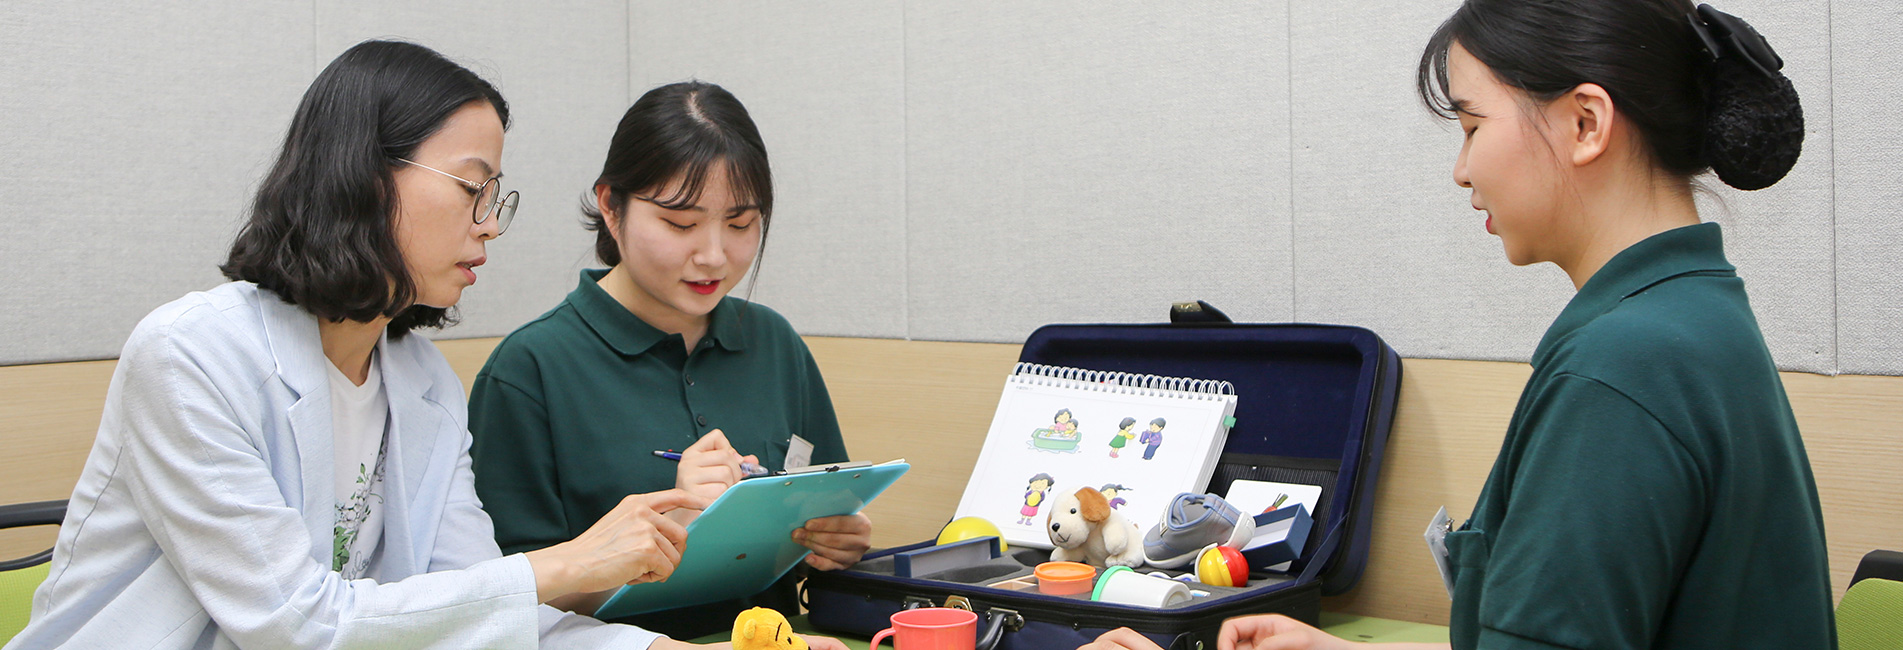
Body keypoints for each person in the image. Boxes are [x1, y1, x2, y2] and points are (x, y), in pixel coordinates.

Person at [4, 40, 847, 650]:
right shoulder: (190, 357)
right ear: (364, 175)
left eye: (496, 196)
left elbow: (480, 614)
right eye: (473, 189)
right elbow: (295, 624)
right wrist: (573, 561)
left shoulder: (422, 381)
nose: (489, 225)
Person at [1080, 1, 1832, 648]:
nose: (1461, 169)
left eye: (1472, 126)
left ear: (1584, 123)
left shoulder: (1619, 368)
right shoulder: (1695, 315)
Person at [467, 81, 870, 640]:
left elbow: (813, 519)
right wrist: (672, 528)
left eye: (740, 223)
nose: (713, 256)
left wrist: (834, 544)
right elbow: (503, 600)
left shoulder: (774, 343)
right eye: (681, 224)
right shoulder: (529, 370)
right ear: (611, 207)